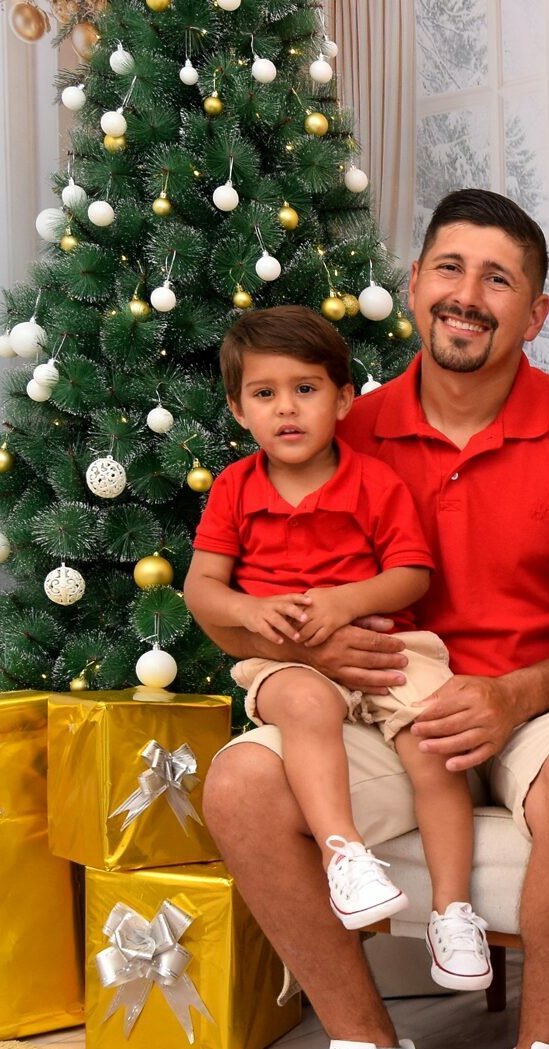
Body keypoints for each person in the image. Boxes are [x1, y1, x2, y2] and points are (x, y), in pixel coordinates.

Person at [196, 191, 549, 1049]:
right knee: (239, 784)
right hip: (379, 699)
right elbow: (233, 604)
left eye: (499, 278)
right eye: (449, 267)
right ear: (414, 287)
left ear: (536, 312)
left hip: (543, 701)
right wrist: (315, 646)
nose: (467, 294)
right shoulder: (334, 423)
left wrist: (513, 697)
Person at [187, 306, 479, 952]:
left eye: (305, 389)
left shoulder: (374, 482)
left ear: (344, 400)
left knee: (434, 743)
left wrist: (344, 603)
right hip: (283, 660)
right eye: (264, 394)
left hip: (387, 647)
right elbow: (202, 588)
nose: (286, 409)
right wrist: (250, 610)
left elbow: (411, 575)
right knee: (304, 701)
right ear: (238, 410)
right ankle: (344, 855)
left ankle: (453, 913)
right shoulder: (234, 489)